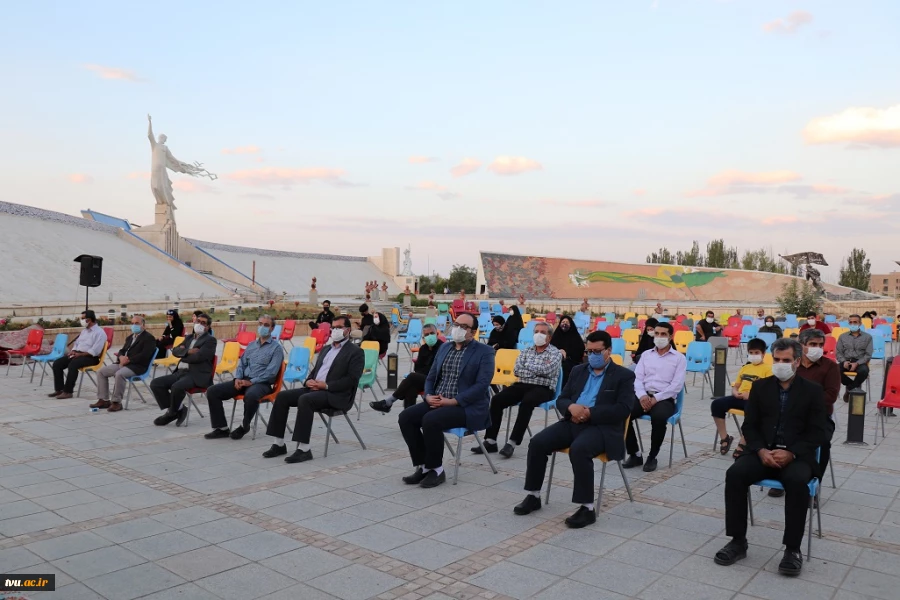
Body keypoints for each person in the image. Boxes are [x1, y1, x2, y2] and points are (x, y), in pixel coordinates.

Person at [714, 338, 829, 577]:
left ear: (797, 361)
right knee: (734, 474)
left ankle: (792, 549)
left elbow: (821, 431)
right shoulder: (761, 387)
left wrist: (792, 452)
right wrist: (760, 450)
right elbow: (750, 425)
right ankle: (737, 541)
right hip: (763, 453)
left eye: (785, 360)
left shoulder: (812, 391)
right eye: (776, 360)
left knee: (797, 483)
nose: (780, 364)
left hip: (796, 456)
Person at [513, 330, 635, 527]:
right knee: (537, 442)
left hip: (601, 427)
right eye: (589, 351)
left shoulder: (624, 376)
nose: (592, 355)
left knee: (580, 449)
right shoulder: (579, 371)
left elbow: (623, 409)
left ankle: (587, 508)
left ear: (608, 351)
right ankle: (533, 496)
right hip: (573, 422)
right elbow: (562, 398)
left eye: (597, 351)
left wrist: (590, 413)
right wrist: (571, 408)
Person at [398, 312, 494, 488]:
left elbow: (482, 385)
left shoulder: (485, 352)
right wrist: (428, 395)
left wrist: (453, 401)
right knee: (406, 417)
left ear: (472, 332)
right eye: (456, 324)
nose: (457, 328)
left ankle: (437, 469)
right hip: (438, 400)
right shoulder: (445, 347)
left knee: (431, 420)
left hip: (465, 407)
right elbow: (431, 376)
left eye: (463, 327)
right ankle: (424, 466)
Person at [261, 316, 364, 463]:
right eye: (333, 327)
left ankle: (304, 449)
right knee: (283, 396)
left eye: (339, 327)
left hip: (335, 394)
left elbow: (352, 380)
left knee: (305, 400)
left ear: (348, 330)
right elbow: (316, 370)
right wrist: (308, 380)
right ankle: (279, 444)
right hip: (315, 389)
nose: (335, 330)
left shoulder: (355, 352)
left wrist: (326, 385)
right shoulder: (326, 349)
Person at [477, 322, 561, 458]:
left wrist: (528, 367)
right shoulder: (527, 350)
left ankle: (512, 442)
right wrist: (536, 370)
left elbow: (548, 371)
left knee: (527, 403)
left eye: (543, 332)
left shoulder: (555, 352)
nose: (538, 334)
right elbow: (517, 370)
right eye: (536, 331)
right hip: (522, 384)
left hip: (543, 388)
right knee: (497, 399)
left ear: (549, 337)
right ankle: (491, 440)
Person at [203, 315, 284, 440]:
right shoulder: (252, 345)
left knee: (251, 396)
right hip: (243, 380)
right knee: (212, 391)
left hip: (261, 383)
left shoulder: (276, 348)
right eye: (260, 323)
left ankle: (244, 426)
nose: (262, 327)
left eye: (266, 325)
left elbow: (271, 373)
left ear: (272, 328)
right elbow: (242, 364)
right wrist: (238, 379)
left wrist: (251, 382)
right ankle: (221, 428)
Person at [783, 327, 840, 497]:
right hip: (790, 415)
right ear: (802, 345)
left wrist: (800, 402)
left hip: (819, 417)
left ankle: (813, 486)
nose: (817, 348)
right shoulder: (792, 365)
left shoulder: (830, 366)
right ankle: (780, 478)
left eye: (820, 344)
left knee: (822, 443)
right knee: (776, 434)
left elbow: (830, 396)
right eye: (812, 344)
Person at [623, 322, 686, 472]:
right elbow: (637, 379)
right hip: (643, 395)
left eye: (663, 334)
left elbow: (676, 386)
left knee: (659, 418)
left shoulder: (679, 358)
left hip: (664, 398)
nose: (659, 337)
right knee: (622, 413)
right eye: (656, 333)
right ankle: (635, 453)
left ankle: (652, 456)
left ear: (671, 336)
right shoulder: (646, 355)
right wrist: (643, 396)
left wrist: (656, 398)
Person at [150, 313, 217, 426]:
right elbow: (175, 350)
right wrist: (188, 351)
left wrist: (183, 353)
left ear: (208, 327)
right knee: (156, 384)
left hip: (196, 374)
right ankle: (179, 409)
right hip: (180, 372)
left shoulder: (210, 340)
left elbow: (198, 357)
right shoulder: (189, 337)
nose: (199, 324)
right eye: (198, 321)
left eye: (203, 323)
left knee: (177, 386)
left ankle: (171, 413)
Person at [710, 338, 770, 457]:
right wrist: (735, 391)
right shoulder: (745, 368)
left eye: (756, 353)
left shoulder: (768, 369)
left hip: (755, 400)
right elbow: (736, 385)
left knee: (753, 412)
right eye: (751, 353)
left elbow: (768, 390)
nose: (753, 356)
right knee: (717, 404)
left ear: (763, 354)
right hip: (740, 397)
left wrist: (752, 395)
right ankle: (725, 438)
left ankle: (743, 442)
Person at [370, 323, 443, 413]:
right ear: (423, 337)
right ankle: (408, 416)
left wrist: (423, 373)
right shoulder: (423, 348)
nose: (430, 336)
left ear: (437, 334)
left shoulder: (443, 348)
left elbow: (438, 370)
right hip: (423, 379)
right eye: (426, 335)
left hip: (437, 381)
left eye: (432, 333)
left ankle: (389, 402)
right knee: (410, 388)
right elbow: (418, 368)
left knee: (412, 377)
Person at [90, 315, 156, 412]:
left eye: (137, 323)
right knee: (101, 372)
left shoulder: (149, 338)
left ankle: (117, 402)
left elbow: (145, 355)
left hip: (137, 366)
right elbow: (122, 350)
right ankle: (103, 400)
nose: (134, 325)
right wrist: (121, 357)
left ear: (143, 325)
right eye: (132, 323)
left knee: (119, 374)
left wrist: (128, 360)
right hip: (123, 363)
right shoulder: (130, 337)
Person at [49, 310, 107, 399]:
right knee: (57, 364)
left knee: (73, 364)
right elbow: (77, 343)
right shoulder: (84, 331)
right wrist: (73, 351)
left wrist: (80, 355)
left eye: (83, 318)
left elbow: (95, 351)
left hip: (90, 357)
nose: (81, 320)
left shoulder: (99, 333)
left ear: (89, 320)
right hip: (78, 354)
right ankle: (59, 390)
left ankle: (68, 391)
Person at [836, 314, 873, 401]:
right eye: (850, 322)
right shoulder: (842, 336)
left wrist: (857, 363)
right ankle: (853, 386)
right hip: (846, 360)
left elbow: (868, 354)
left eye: (855, 322)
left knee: (864, 371)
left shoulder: (867, 337)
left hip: (860, 361)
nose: (852, 324)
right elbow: (838, 352)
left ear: (860, 323)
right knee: (834, 370)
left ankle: (849, 390)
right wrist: (843, 361)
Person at [551, 315, 585, 384]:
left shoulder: (576, 337)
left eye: (567, 322)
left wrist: (567, 354)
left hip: (571, 362)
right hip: (556, 360)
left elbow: (580, 351)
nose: (564, 324)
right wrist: (559, 352)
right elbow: (551, 348)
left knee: (565, 367)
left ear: (571, 324)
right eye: (563, 322)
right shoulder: (556, 336)